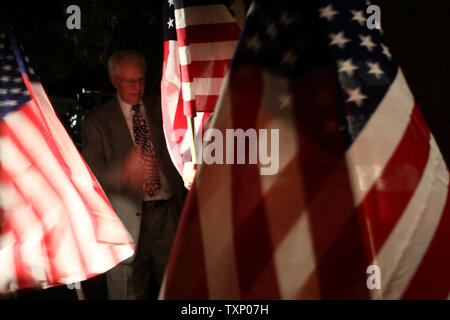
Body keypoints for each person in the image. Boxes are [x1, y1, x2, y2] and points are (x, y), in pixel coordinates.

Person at [81, 50, 189, 300]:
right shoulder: (97, 121)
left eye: (141, 80)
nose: (137, 87)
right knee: (128, 291)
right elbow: (92, 173)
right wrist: (123, 171)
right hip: (127, 218)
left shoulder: (162, 110)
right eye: (130, 81)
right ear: (114, 80)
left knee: (176, 287)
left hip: (167, 215)